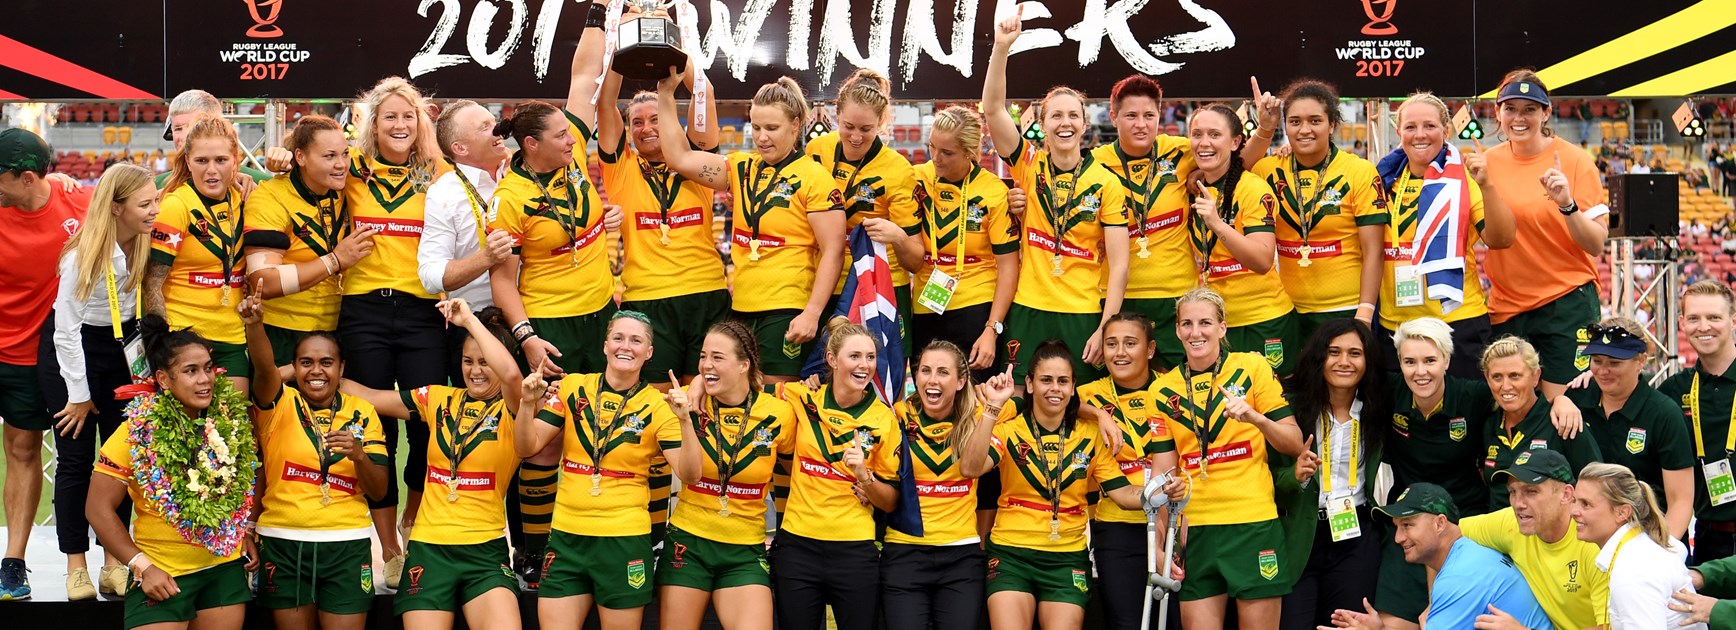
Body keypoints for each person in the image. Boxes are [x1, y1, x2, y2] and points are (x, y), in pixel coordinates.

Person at [337, 299, 527, 630]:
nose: (475, 370)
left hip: (484, 553)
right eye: (467, 361)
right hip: (429, 551)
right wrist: (303, 372)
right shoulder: (438, 398)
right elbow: (368, 395)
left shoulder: (514, 408)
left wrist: (468, 321)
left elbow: (511, 374)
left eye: (485, 362)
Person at [655, 68, 844, 381]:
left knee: (777, 400)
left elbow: (833, 251)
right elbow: (678, 158)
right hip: (741, 306)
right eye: (756, 126)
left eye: (772, 127)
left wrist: (811, 313)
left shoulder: (815, 179)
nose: (761, 137)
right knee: (740, 396)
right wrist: (665, 95)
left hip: (787, 307)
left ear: (796, 125)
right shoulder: (741, 168)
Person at [957, 340, 1151, 630]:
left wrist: (1159, 491)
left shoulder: (1090, 435)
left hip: (1066, 559)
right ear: (1030, 384)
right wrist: (992, 408)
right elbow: (970, 468)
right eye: (1046, 380)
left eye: (1063, 381)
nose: (1054, 389)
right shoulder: (1009, 428)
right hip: (1011, 555)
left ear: (1073, 388)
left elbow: (1123, 494)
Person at [983, 9, 1130, 384]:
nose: (1065, 123)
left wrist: (1106, 328)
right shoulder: (1029, 165)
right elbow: (994, 109)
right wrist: (1001, 49)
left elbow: (1120, 267)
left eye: (1072, 116)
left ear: (1084, 123)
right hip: (1029, 306)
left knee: (1084, 399)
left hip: (1082, 311)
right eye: (1056, 116)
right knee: (1017, 396)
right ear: (1042, 124)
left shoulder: (1107, 182)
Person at [88, 314, 261, 630]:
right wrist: (142, 566)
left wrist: (244, 529)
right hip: (162, 573)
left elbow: (248, 478)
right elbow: (97, 509)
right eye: (191, 371)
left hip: (223, 571)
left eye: (208, 368)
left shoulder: (229, 424)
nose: (205, 379)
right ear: (164, 379)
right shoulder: (136, 433)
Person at [513, 310, 683, 630]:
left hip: (623, 542)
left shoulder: (659, 405)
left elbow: (689, 474)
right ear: (605, 345)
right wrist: (525, 404)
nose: (625, 346)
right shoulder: (572, 388)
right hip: (566, 539)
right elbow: (526, 447)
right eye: (618, 338)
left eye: (636, 340)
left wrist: (684, 420)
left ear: (649, 353)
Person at [1150, 288, 1306, 630]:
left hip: (1253, 523)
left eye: (1205, 323)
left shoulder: (1252, 368)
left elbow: (1295, 443)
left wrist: (1257, 419)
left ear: (1222, 327)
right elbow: (1162, 475)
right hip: (1196, 530)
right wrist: (1161, 543)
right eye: (1187, 324)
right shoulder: (1161, 390)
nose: (1196, 332)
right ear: (1176, 330)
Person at [240, 289, 390, 630]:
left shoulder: (362, 412)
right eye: (306, 363)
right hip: (283, 541)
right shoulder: (279, 403)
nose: (316, 371)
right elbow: (264, 370)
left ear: (341, 367)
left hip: (345, 544)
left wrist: (358, 455)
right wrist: (255, 325)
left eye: (326, 362)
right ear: (293, 368)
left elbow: (379, 490)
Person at [50, 163, 150, 600]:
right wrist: (78, 395)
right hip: (75, 352)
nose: (154, 210)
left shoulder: (147, 243)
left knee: (121, 461)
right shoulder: (81, 255)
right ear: (115, 208)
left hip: (124, 349)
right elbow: (64, 331)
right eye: (145, 204)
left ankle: (113, 563)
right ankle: (76, 566)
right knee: (74, 461)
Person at [656, 321, 796, 630]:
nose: (706, 365)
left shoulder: (779, 413)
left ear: (744, 364)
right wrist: (690, 401)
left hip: (744, 550)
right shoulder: (687, 406)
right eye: (703, 356)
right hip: (688, 544)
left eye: (717, 357)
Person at [597, 51, 725, 390]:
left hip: (706, 292)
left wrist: (674, 50)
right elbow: (605, 103)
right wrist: (622, 49)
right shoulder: (620, 169)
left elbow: (703, 93)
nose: (646, 128)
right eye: (637, 122)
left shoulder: (698, 161)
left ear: (671, 122)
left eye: (654, 119)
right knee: (658, 400)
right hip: (648, 297)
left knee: (704, 396)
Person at [1482, 70, 1611, 401]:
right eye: (1510, 108)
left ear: (1546, 113)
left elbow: (1596, 244)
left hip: (1564, 302)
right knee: (1512, 405)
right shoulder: (1486, 164)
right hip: (1508, 305)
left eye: (1530, 109)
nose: (1519, 118)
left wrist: (1567, 204)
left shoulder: (1576, 161)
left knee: (1566, 407)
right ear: (1497, 112)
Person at [0, 126, 89, 601]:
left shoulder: (78, 203)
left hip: (31, 355)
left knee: (23, 450)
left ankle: (13, 563)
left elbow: (139, 198)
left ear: (28, 177)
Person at [769, 318, 901, 630]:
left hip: (854, 549)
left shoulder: (885, 418)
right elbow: (743, 388)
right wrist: (696, 388)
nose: (864, 365)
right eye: (854, 356)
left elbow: (891, 502)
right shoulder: (801, 397)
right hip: (798, 545)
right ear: (831, 359)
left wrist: (865, 477)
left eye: (870, 357)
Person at [1372, 93, 1516, 377]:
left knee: (1461, 419)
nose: (1420, 135)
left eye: (1430, 126)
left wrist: (1486, 185)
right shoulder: (1381, 180)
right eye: (1410, 127)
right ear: (1399, 132)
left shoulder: (1464, 178)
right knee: (1400, 421)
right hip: (1396, 327)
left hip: (1456, 323)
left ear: (1446, 131)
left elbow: (1501, 239)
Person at [1246, 79, 1386, 342]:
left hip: (1346, 309)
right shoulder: (1268, 170)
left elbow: (1374, 251)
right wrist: (1264, 130)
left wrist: (1364, 313)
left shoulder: (1359, 172)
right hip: (1287, 311)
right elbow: (1227, 174)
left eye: (1315, 120)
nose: (1304, 130)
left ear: (1332, 124)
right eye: (1295, 121)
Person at [1272, 319, 1389, 630]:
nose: (1344, 362)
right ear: (1318, 357)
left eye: (1355, 353)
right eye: (1333, 352)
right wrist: (1294, 476)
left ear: (1368, 361)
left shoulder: (1379, 410)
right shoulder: (1290, 409)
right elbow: (1263, 476)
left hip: (1356, 535)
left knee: (1345, 625)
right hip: (1301, 533)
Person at [877, 340, 993, 630]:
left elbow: (1039, 403)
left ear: (961, 380)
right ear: (915, 378)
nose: (932, 379)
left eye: (943, 372)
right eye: (925, 371)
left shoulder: (982, 418)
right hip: (905, 552)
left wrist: (1099, 415)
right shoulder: (896, 416)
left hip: (961, 558)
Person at [805, 68, 920, 357]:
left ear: (881, 122)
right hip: (824, 283)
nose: (855, 137)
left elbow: (916, 259)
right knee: (821, 374)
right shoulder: (816, 150)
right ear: (836, 113)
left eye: (866, 129)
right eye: (848, 126)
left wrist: (898, 237)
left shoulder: (898, 170)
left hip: (880, 288)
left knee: (879, 377)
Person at [1074, 312, 1178, 630]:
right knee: (1125, 622)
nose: (1119, 352)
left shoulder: (1173, 390)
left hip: (1172, 524)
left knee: (1172, 622)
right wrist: (1097, 415)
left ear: (1150, 349)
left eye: (1130, 343)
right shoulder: (1089, 393)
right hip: (1117, 529)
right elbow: (1052, 400)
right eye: (1111, 344)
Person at [1325, 483, 1550, 630]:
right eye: (1396, 528)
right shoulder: (1464, 556)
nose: (1398, 538)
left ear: (1440, 523)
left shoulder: (1460, 575)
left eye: (1408, 525)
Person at [244, 115, 374, 367]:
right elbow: (263, 281)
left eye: (345, 154)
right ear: (300, 158)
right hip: (282, 332)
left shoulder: (346, 183)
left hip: (341, 327)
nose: (341, 165)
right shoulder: (271, 197)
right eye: (329, 156)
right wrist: (334, 261)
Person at [1089, 75, 1194, 371]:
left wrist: (1265, 133)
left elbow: (1232, 162)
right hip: (1118, 297)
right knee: (1122, 389)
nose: (1141, 124)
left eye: (1149, 115)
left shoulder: (1181, 152)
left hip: (1175, 296)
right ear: (1113, 117)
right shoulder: (1093, 163)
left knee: (1177, 390)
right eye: (1131, 116)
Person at [1184, 104, 1297, 377]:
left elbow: (1261, 260)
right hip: (1216, 325)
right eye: (1197, 134)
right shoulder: (1191, 186)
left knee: (1272, 407)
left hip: (1262, 322)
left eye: (1214, 134)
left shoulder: (1253, 188)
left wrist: (1217, 224)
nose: (1204, 143)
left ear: (1235, 142)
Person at [905, 106, 1017, 379]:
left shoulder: (993, 191)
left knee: (975, 397)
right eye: (932, 147)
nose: (936, 158)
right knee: (930, 397)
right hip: (925, 305)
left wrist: (992, 329)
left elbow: (1009, 268)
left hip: (976, 308)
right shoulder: (915, 178)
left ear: (970, 152)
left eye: (947, 152)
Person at [143, 112, 253, 391]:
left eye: (221, 160)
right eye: (201, 161)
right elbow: (152, 282)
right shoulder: (176, 206)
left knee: (234, 431)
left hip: (231, 337)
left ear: (235, 161)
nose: (211, 170)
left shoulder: (245, 198)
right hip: (184, 339)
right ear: (187, 162)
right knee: (187, 433)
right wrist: (162, 344)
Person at [1567, 317, 1694, 540]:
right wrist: (1559, 402)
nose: (1603, 371)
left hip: (1648, 537)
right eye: (1597, 361)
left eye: (1614, 363)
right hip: (1586, 542)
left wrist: (1661, 552)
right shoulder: (1575, 400)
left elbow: (1680, 501)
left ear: (1641, 361)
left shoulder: (1664, 413)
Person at [1461, 449, 1609, 630]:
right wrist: (1436, 598)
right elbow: (1444, 536)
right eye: (1512, 491)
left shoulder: (1595, 543)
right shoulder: (1512, 522)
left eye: (1531, 491)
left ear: (1566, 495)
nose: (1518, 503)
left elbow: (1611, 627)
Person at [1573, 463, 1707, 630]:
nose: (1573, 511)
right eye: (1574, 501)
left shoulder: (1633, 570)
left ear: (1622, 512)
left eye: (1585, 504)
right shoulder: (1640, 548)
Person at [1659, 279, 1736, 564]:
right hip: (1706, 538)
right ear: (1681, 323)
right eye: (1694, 318)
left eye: (1714, 317)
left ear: (1732, 321)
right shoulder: (1673, 390)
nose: (1703, 327)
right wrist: (1586, 383)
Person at [1481, 336, 1601, 509]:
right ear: (1487, 378)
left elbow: (1597, 483)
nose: (1505, 386)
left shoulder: (1562, 420)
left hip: (1551, 533)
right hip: (1498, 531)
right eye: (1497, 377)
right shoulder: (1488, 424)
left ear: (1535, 376)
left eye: (1515, 376)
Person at [155, 89, 271, 188]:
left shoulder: (261, 184)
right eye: (178, 129)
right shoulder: (155, 187)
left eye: (195, 126)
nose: (185, 137)